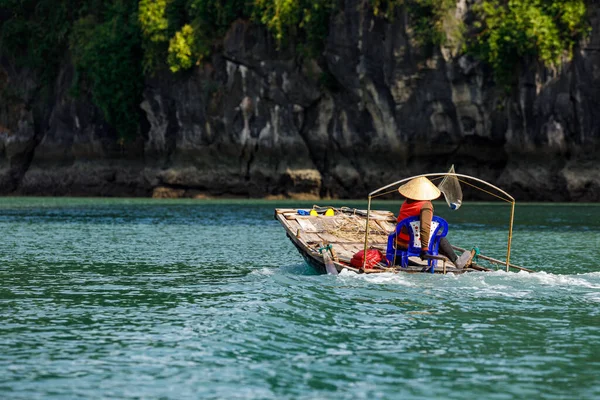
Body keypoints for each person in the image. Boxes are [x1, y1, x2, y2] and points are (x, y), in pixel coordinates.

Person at [395, 176, 472, 269]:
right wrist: (424, 249)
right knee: (438, 235)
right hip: (412, 243)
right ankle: (456, 260)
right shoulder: (426, 206)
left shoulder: (406, 203)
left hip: (399, 242)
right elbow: (425, 227)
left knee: (433, 234)